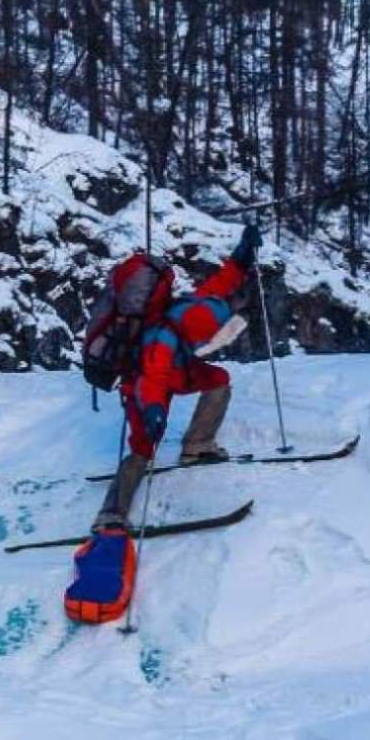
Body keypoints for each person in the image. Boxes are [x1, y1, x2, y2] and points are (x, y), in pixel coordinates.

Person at [94, 224, 261, 530]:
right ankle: (112, 513)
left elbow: (219, 284)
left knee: (218, 379)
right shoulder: (164, 339)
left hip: (179, 371)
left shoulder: (194, 307)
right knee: (143, 448)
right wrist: (154, 410)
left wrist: (242, 257)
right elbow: (152, 379)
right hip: (143, 383)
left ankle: (197, 446)